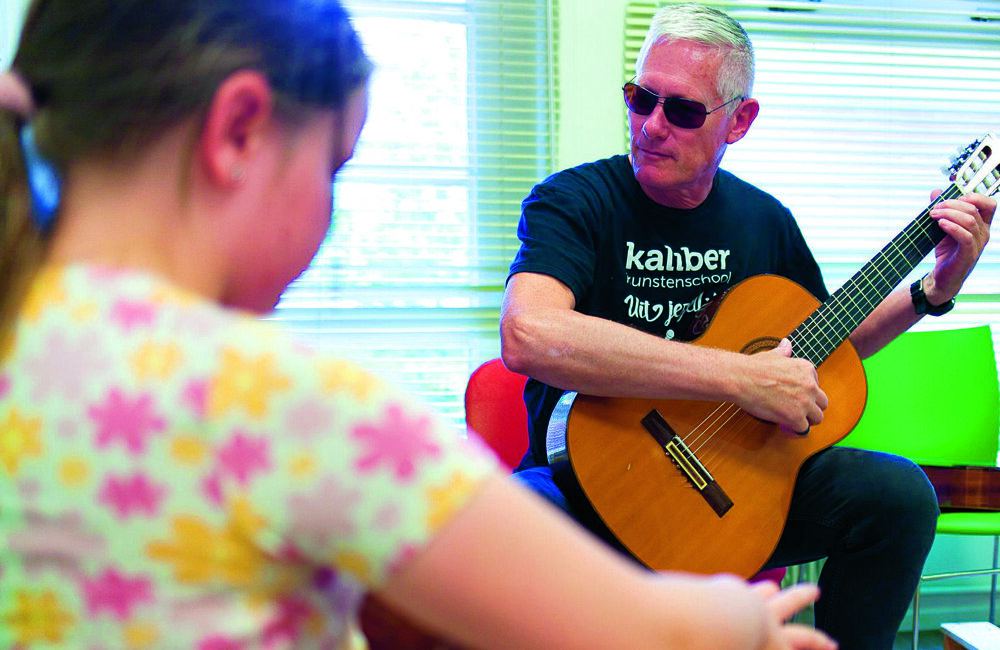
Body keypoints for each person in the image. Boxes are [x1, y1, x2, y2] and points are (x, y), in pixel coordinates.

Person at [0, 1, 841, 649]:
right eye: (335, 167)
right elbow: (650, 629)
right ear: (239, 132)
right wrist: (742, 622)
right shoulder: (282, 403)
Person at [501, 3, 994, 649]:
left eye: (681, 110)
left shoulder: (764, 221)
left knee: (897, 495)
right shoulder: (574, 201)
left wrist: (933, 290)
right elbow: (530, 334)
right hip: (583, 485)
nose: (650, 125)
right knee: (511, 526)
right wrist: (739, 376)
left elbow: (824, 342)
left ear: (740, 120)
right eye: (639, 97)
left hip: (723, 493)